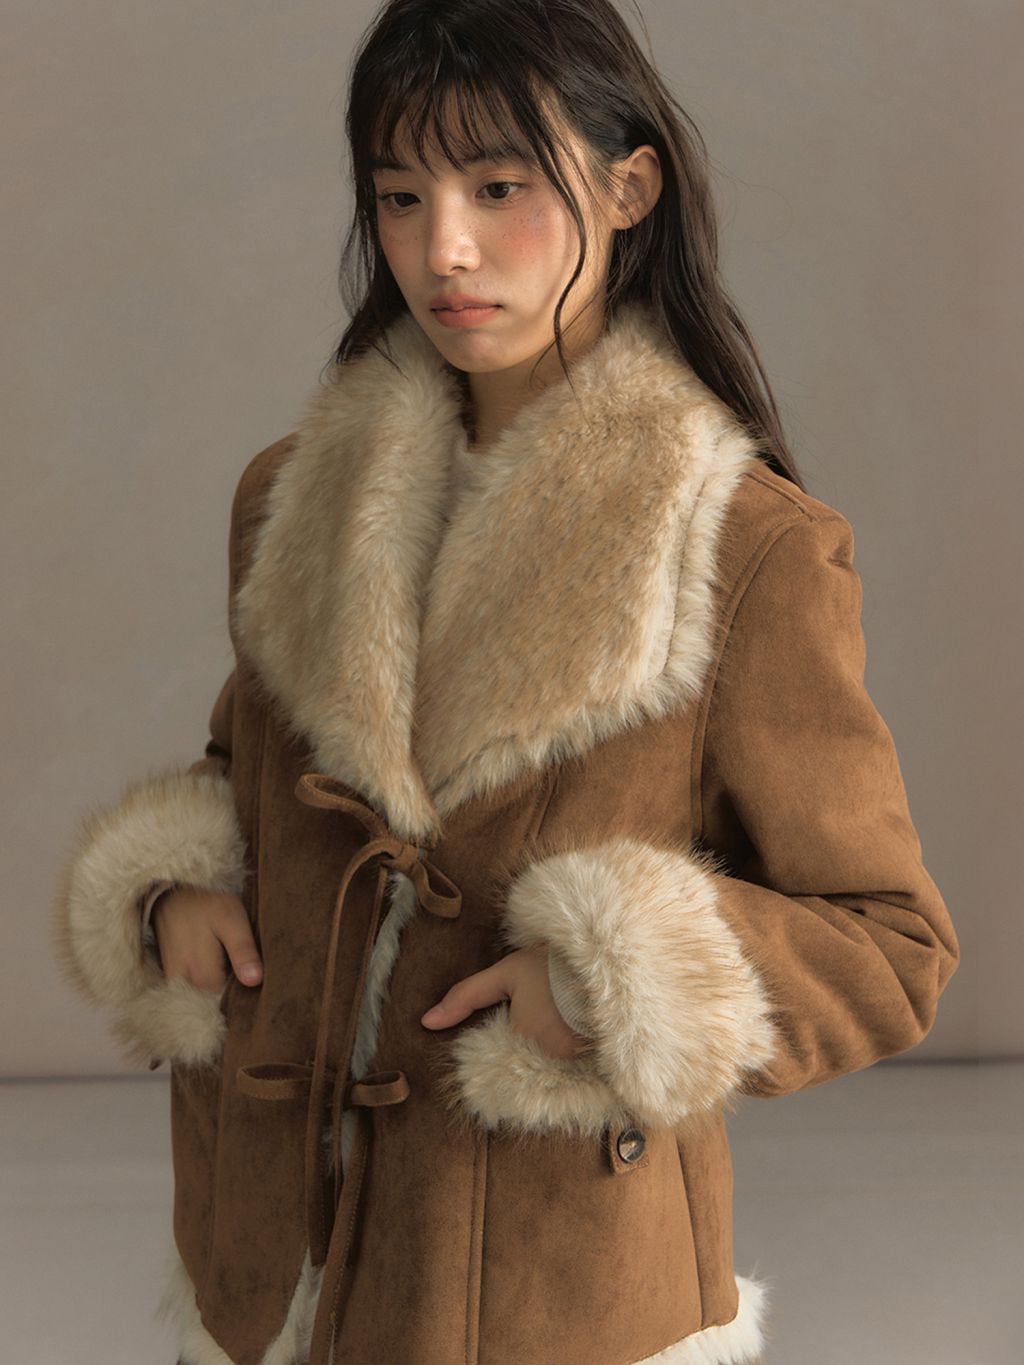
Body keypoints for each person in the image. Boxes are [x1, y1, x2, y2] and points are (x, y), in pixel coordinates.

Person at [50, 2, 960, 1362]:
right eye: (400, 196)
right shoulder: (292, 499)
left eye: (498, 188)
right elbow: (251, 779)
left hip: (552, 1290)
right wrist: (179, 887)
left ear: (630, 189)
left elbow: (889, 947)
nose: (443, 250)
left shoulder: (743, 547)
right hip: (264, 1265)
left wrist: (608, 982)